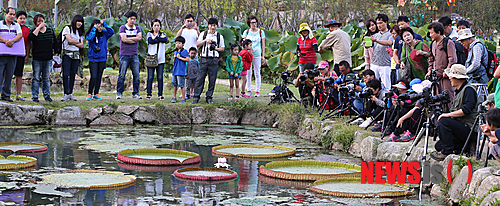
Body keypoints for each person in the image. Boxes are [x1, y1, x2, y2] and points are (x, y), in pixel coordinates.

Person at [430, 64, 478, 161]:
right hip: (460, 127)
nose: (449, 78)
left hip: (468, 127)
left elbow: (466, 110)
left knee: (443, 121)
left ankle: (447, 152)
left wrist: (447, 115)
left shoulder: (469, 90)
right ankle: (462, 149)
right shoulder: (459, 91)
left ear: (457, 78)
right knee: (438, 146)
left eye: (451, 76)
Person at [192, 17, 225, 104]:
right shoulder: (204, 34)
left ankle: (209, 97)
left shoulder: (219, 36)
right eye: (211, 25)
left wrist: (215, 48)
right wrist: (206, 40)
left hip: (214, 59)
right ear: (208, 25)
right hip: (204, 58)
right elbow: (197, 44)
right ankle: (196, 96)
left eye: (214, 25)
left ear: (217, 26)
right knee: (200, 78)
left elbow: (222, 48)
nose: (212, 27)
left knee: (212, 79)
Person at [28, 14, 59, 102]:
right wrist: (39, 28)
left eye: (42, 21)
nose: (41, 23)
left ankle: (47, 95)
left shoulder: (50, 30)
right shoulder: (34, 31)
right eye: (39, 21)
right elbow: (31, 38)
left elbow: (55, 42)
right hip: (37, 58)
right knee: (36, 78)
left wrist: (56, 52)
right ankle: (35, 96)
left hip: (48, 58)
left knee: (46, 78)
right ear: (35, 23)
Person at [85, 19, 114, 101]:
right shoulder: (90, 34)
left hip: (102, 58)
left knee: (99, 76)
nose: (100, 28)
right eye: (98, 26)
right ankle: (89, 93)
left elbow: (111, 32)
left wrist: (104, 24)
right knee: (93, 76)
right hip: (93, 58)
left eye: (100, 26)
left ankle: (96, 93)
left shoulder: (104, 34)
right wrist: (94, 29)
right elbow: (90, 39)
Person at [427, 22, 457, 100]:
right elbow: (431, 59)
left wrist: (447, 71)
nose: (430, 35)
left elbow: (452, 59)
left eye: (432, 33)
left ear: (439, 32)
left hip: (446, 77)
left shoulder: (448, 43)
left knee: (448, 97)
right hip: (436, 77)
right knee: (437, 98)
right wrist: (429, 70)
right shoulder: (433, 44)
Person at [117, 11, 142, 100]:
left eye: (134, 19)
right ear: (127, 19)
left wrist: (128, 39)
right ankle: (119, 92)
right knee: (122, 74)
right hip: (124, 54)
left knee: (136, 75)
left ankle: (136, 93)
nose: (132, 21)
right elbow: (124, 39)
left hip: (134, 54)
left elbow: (139, 38)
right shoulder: (122, 28)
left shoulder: (137, 28)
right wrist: (133, 40)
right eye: (131, 19)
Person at [0, 7, 23, 102]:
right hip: (1, 54)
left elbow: (20, 35)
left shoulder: (16, 25)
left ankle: (6, 95)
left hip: (12, 54)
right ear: (5, 14)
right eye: (10, 14)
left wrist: (12, 40)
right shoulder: (0, 24)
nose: (12, 16)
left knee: (9, 75)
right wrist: (5, 41)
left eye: (14, 15)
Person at [61, 15, 84, 101]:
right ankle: (65, 93)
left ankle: (70, 93)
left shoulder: (80, 32)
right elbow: (69, 40)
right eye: (78, 21)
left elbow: (82, 45)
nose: (79, 23)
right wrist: (77, 42)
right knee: (66, 74)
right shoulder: (67, 28)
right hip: (67, 54)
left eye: (81, 22)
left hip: (76, 55)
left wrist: (74, 42)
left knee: (72, 74)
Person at [242, 15, 265, 97]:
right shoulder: (246, 32)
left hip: (257, 54)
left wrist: (263, 55)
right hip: (248, 55)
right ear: (249, 23)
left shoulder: (261, 32)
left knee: (257, 72)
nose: (254, 24)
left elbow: (263, 44)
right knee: (248, 72)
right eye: (252, 23)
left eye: (255, 22)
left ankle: (257, 91)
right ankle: (248, 90)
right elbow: (243, 43)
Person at [369, 14, 394, 91]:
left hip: (385, 64)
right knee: (372, 84)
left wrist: (376, 40)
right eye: (378, 23)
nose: (379, 25)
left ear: (386, 22)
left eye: (381, 23)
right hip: (374, 63)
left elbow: (389, 42)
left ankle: (387, 101)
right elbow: (373, 46)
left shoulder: (391, 34)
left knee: (386, 86)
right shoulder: (376, 35)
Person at [146, 19, 167, 100]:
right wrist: (158, 38)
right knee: (150, 77)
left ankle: (160, 94)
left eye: (158, 25)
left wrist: (156, 38)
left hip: (161, 59)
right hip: (151, 59)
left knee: (160, 78)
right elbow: (150, 41)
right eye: (155, 25)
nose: (156, 27)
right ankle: (149, 94)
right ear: (152, 26)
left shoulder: (163, 34)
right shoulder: (149, 34)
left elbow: (164, 40)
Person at [14, 10, 30, 101]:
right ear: (17, 19)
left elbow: (28, 43)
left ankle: (18, 94)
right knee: (5, 73)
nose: (22, 20)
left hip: (21, 53)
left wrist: (27, 55)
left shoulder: (27, 29)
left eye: (24, 18)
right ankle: (2, 92)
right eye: (20, 18)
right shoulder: (12, 27)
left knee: (19, 74)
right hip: (11, 53)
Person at [480, 108, 500, 175]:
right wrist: (489, 135)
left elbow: (495, 141)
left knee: (493, 148)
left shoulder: (498, 131)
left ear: (491, 125)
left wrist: (491, 136)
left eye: (487, 122)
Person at [172, 36, 189, 103]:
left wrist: (180, 57)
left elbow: (187, 59)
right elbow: (173, 62)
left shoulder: (184, 51)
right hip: (175, 70)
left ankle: (183, 98)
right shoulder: (176, 52)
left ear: (183, 43)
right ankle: (174, 97)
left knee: (181, 85)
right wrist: (175, 57)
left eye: (179, 43)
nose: (177, 45)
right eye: (176, 43)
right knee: (174, 84)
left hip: (181, 71)